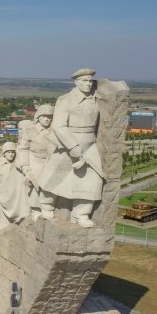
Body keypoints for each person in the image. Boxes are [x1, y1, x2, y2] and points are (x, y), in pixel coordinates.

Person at [37, 68, 103, 227]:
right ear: (76, 82)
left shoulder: (95, 99)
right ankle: (46, 207)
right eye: (84, 81)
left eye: (90, 81)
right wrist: (73, 147)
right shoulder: (65, 100)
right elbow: (59, 126)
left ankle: (81, 214)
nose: (88, 84)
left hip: (90, 145)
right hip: (68, 144)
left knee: (92, 181)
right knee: (53, 177)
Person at [17, 104, 57, 220]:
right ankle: (36, 209)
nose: (46, 119)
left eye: (49, 117)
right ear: (38, 117)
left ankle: (49, 207)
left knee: (50, 184)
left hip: (51, 161)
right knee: (36, 185)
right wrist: (25, 165)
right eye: (44, 116)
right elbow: (23, 148)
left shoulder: (55, 130)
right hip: (35, 160)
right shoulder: (30, 130)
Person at [0, 142, 29, 229]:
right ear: (4, 153)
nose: (11, 154)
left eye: (13, 152)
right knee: (0, 221)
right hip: (0, 194)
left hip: (15, 196)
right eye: (8, 152)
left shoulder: (18, 163)